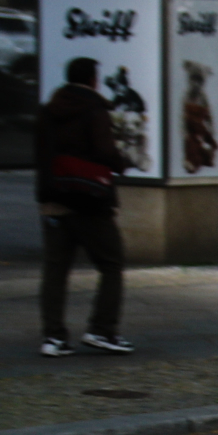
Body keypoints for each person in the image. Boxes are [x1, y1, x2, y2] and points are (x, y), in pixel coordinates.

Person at [35, 55, 133, 358]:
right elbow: (104, 150)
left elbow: (40, 152)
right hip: (89, 200)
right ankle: (101, 330)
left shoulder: (49, 110)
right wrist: (122, 161)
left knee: (55, 269)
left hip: (54, 200)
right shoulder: (94, 109)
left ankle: (54, 337)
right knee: (111, 262)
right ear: (93, 80)